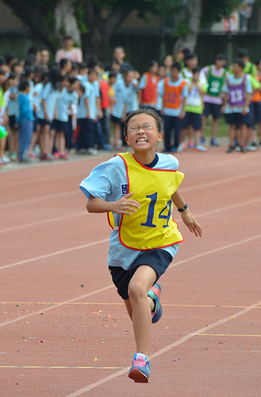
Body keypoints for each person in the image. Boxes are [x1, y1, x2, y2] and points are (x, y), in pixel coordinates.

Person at [79, 107, 202, 383]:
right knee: (138, 306)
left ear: (159, 134)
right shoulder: (116, 167)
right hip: (124, 251)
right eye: (134, 128)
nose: (140, 131)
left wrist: (185, 211)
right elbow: (90, 204)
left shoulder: (169, 162)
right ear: (127, 136)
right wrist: (113, 205)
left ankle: (141, 359)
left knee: (136, 288)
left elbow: (170, 185)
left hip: (161, 241)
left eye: (147, 127)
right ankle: (152, 299)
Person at [158, 62, 188, 152]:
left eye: (175, 71)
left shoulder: (183, 83)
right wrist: (162, 107)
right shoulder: (166, 81)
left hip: (177, 111)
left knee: (176, 131)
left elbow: (184, 98)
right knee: (167, 130)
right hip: (167, 110)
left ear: (179, 72)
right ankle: (167, 146)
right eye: (172, 71)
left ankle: (175, 145)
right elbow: (163, 95)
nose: (173, 73)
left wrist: (182, 111)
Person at [224, 59, 253, 153]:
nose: (233, 68)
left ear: (240, 68)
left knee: (243, 125)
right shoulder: (229, 78)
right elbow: (225, 92)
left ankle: (242, 144)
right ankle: (231, 144)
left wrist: (245, 107)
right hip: (231, 106)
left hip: (241, 106)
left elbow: (248, 93)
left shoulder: (246, 78)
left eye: (235, 66)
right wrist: (224, 104)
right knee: (232, 126)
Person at [201, 54, 228, 146]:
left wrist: (224, 99)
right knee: (203, 117)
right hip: (207, 98)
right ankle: (202, 136)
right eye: (219, 60)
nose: (220, 63)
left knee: (216, 119)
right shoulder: (208, 69)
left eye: (222, 61)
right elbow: (200, 78)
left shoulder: (225, 73)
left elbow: (226, 85)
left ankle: (213, 138)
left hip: (217, 99)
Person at [183, 66, 207, 152]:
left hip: (197, 108)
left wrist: (197, 84)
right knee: (184, 127)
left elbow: (202, 93)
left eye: (198, 75)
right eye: (195, 75)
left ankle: (197, 144)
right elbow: (187, 91)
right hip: (187, 107)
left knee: (197, 127)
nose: (196, 76)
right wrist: (193, 83)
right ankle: (182, 143)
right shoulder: (187, 82)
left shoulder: (202, 83)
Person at [16, 79, 34, 162]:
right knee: (26, 137)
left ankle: (23, 154)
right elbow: (24, 110)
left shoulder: (21, 96)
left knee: (25, 137)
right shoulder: (24, 97)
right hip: (26, 118)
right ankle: (23, 155)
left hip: (25, 118)